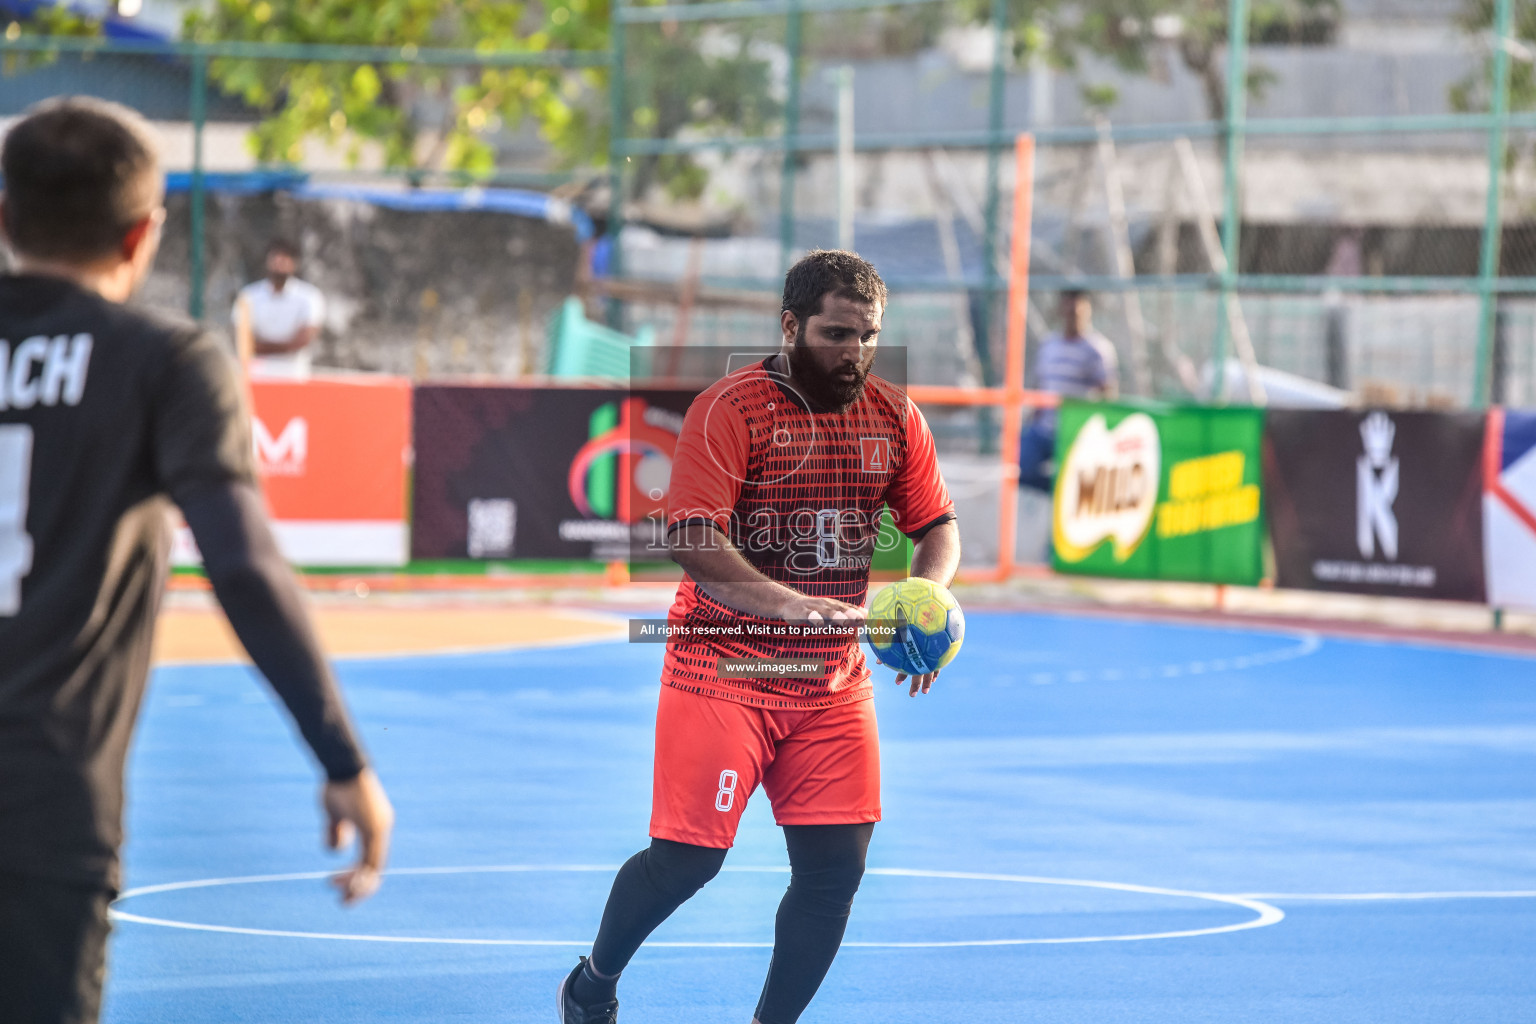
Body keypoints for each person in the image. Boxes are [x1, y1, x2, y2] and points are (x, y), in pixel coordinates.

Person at [0, 98, 393, 1024]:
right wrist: (343, 758)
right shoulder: (163, 360)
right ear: (142, 235)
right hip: (40, 805)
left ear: (4, 219)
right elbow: (246, 568)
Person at [557, 250, 961, 1024]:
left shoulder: (894, 418)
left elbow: (937, 525)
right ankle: (592, 983)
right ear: (789, 325)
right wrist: (792, 606)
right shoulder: (732, 409)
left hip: (833, 679)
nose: (855, 352)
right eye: (837, 334)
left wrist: (926, 600)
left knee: (835, 870)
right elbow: (692, 539)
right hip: (722, 666)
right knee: (690, 860)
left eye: (869, 336)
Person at [1018, 289, 1120, 492]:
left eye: (1077, 310)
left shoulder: (1097, 349)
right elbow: (1042, 386)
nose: (1072, 315)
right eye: (1068, 308)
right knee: (1019, 469)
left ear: (1087, 311)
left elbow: (1107, 394)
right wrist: (1033, 417)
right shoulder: (1049, 345)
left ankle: (1065, 493)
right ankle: (1060, 490)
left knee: (1076, 480)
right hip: (1045, 428)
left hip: (1075, 431)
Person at [233, 238, 325, 378]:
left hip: (295, 376)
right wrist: (285, 347)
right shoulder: (248, 296)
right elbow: (243, 341)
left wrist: (260, 347)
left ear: (294, 263)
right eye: (275, 258)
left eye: (284, 259)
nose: (279, 264)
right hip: (256, 376)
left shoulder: (309, 296)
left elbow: (304, 339)